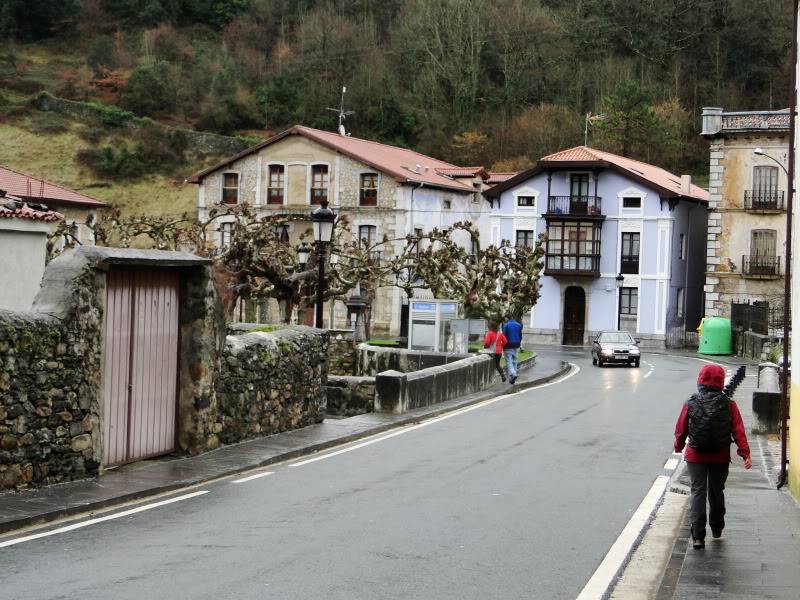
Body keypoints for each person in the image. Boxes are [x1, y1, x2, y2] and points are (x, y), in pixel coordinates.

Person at [674, 364, 751, 550]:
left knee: (698, 492)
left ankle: (698, 537)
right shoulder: (729, 404)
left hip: (695, 455)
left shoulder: (691, 402)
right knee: (716, 491)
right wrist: (745, 453)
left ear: (700, 380)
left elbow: (681, 428)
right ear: (721, 381)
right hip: (720, 455)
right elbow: (738, 430)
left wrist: (678, 446)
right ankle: (717, 529)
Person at [502, 314, 523, 384]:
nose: (504, 320)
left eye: (505, 318)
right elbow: (520, 336)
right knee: (515, 360)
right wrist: (519, 343)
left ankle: (513, 374)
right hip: (517, 344)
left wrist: (503, 346)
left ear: (507, 318)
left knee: (509, 361)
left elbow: (504, 336)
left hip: (508, 345)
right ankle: (514, 375)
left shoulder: (506, 325)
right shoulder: (518, 325)